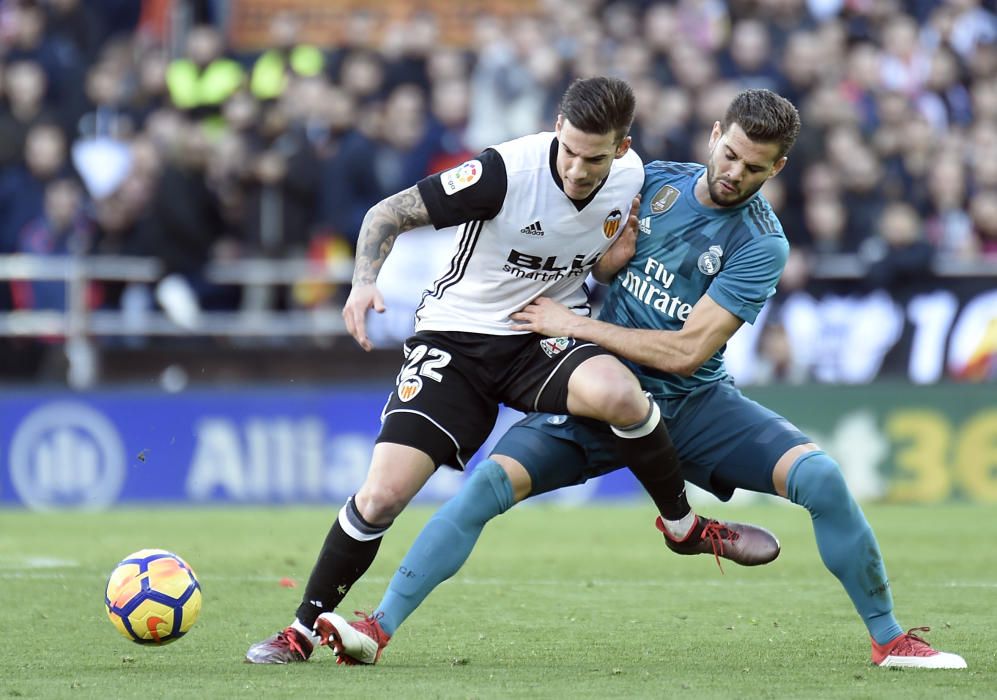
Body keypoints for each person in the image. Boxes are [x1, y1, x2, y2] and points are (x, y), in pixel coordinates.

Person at [315, 89, 967, 670]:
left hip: (691, 405)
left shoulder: (760, 243)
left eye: (754, 167)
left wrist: (576, 326)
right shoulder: (648, 183)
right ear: (714, 135)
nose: (735, 172)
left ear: (778, 169)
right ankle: (377, 626)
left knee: (821, 478)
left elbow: (685, 351)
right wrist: (606, 266)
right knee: (485, 487)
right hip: (594, 394)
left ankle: (889, 640)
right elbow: (589, 255)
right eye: (731, 154)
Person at [246, 77, 778, 664]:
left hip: (540, 333)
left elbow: (595, 263)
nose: (577, 169)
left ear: (622, 149)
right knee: (381, 497)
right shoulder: (504, 173)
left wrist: (610, 263)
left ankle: (683, 527)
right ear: (556, 128)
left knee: (621, 395)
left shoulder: (631, 179)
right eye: (569, 151)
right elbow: (386, 214)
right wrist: (363, 281)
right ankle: (300, 630)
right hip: (460, 339)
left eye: (594, 157)